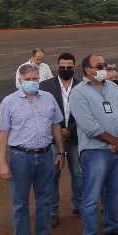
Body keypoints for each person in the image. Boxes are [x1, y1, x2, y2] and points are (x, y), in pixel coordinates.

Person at [0, 63, 65, 235]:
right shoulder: (9, 102)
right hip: (20, 156)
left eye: (35, 79)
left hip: (45, 155)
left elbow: (56, 125)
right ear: (20, 81)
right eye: (28, 80)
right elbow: (2, 133)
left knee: (45, 198)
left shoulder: (48, 99)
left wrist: (61, 151)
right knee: (21, 201)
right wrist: (3, 163)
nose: (32, 83)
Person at [69, 54, 118, 235]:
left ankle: (112, 227)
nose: (104, 68)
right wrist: (113, 141)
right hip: (95, 151)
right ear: (88, 70)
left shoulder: (113, 87)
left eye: (104, 65)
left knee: (115, 192)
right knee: (91, 195)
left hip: (117, 149)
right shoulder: (78, 92)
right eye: (99, 65)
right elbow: (89, 125)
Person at [39, 52, 82, 225]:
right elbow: (42, 113)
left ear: (74, 68)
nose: (66, 70)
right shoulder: (45, 86)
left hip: (75, 137)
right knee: (52, 175)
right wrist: (57, 131)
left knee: (78, 174)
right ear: (57, 67)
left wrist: (69, 130)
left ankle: (78, 205)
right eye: (62, 67)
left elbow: (85, 113)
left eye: (69, 68)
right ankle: (53, 210)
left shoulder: (81, 86)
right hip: (52, 139)